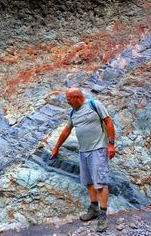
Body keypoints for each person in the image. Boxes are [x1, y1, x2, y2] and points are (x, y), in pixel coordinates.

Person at [50, 87, 116, 232]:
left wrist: (111, 144)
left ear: (77, 97)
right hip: (83, 151)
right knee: (88, 182)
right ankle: (93, 209)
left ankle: (103, 216)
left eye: (69, 100)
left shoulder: (94, 104)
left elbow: (109, 123)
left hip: (98, 149)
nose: (68, 103)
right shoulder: (73, 113)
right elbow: (66, 131)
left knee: (100, 183)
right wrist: (56, 147)